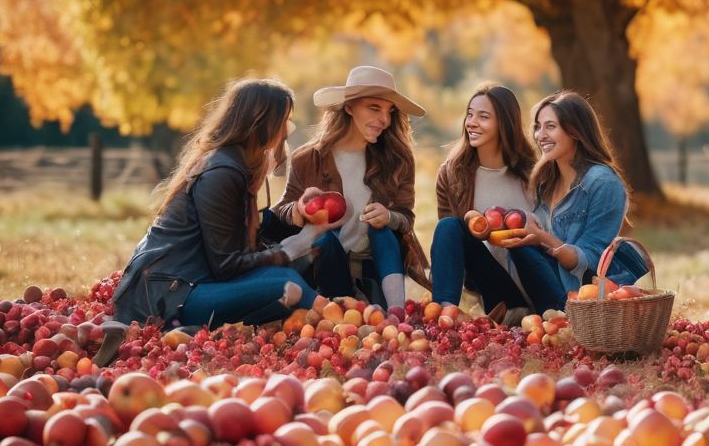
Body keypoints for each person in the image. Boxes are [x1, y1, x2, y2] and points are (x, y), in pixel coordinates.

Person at [112, 78, 327, 334]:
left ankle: (341, 308)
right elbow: (227, 266)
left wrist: (298, 216)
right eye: (284, 122)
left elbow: (244, 228)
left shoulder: (231, 163)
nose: (287, 132)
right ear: (262, 123)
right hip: (170, 297)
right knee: (287, 283)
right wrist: (291, 250)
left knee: (311, 260)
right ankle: (345, 324)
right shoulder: (222, 172)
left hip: (191, 285)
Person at [274, 66, 431, 310]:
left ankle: (397, 313)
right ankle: (342, 305)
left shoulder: (398, 159)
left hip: (374, 269)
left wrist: (389, 217)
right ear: (349, 107)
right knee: (324, 237)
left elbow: (406, 218)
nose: (385, 120)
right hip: (324, 266)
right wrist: (299, 209)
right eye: (374, 108)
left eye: (389, 111)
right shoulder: (307, 158)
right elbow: (280, 211)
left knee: (382, 231)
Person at [504, 91, 649, 312]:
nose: (540, 135)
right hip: (545, 285)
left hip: (582, 294)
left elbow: (590, 260)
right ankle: (517, 312)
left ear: (575, 132)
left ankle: (551, 315)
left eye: (550, 126)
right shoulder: (545, 181)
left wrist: (542, 237)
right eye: (537, 126)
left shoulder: (603, 183)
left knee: (522, 249)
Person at [430, 83, 540, 322]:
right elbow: (452, 246)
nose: (471, 122)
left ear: (505, 123)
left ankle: (536, 312)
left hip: (538, 279)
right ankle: (442, 316)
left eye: (483, 116)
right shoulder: (452, 175)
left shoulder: (534, 173)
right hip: (496, 289)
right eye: (470, 114)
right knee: (448, 225)